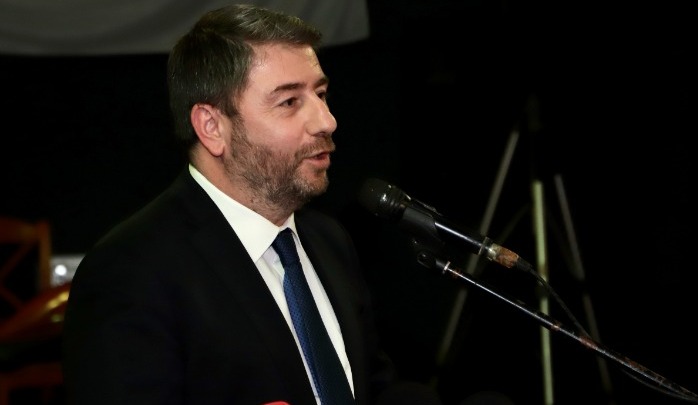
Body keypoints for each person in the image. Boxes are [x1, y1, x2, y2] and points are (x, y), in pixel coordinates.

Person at [61, 4, 429, 405]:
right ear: (212, 127)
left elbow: (372, 388)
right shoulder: (131, 270)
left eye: (321, 94)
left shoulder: (329, 240)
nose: (326, 121)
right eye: (289, 102)